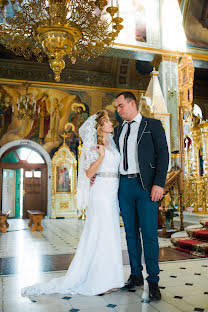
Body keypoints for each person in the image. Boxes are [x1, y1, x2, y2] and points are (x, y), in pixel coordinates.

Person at [21, 110, 124, 296]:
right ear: (100, 127)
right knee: (100, 233)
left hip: (112, 192)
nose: (111, 124)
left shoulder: (113, 145)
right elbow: (88, 173)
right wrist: (100, 157)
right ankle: (98, 279)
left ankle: (111, 278)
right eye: (107, 121)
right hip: (100, 193)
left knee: (111, 233)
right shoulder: (93, 146)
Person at [114, 91, 169, 301]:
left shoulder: (152, 125)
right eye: (117, 107)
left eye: (120, 106)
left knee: (148, 235)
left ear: (132, 103)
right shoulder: (118, 130)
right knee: (130, 234)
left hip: (145, 186)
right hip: (124, 187)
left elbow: (163, 154)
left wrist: (159, 183)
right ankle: (135, 275)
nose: (118, 110)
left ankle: (153, 280)